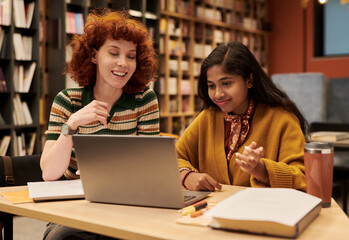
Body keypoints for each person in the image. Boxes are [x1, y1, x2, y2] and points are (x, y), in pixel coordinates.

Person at [40, 9, 159, 240]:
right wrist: (72, 124)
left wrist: (107, 172)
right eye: (113, 53)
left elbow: (151, 169)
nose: (122, 63)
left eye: (131, 56)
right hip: (76, 206)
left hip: (127, 204)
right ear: (94, 55)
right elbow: (50, 173)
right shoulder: (67, 100)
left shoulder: (144, 100)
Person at [177, 41, 307, 192]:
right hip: (210, 212)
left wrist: (262, 170)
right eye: (211, 86)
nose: (218, 94)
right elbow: (171, 158)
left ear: (249, 80)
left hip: (263, 212)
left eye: (226, 83)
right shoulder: (208, 117)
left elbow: (303, 178)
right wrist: (186, 175)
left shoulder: (283, 119)